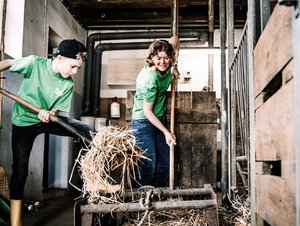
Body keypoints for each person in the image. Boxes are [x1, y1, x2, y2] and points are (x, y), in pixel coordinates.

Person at [0, 39, 94, 226]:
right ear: (59, 58)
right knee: (20, 171)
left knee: (88, 131)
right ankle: (16, 221)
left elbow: (56, 112)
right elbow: (9, 63)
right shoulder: (34, 63)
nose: (74, 72)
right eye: (73, 66)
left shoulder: (67, 83)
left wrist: (49, 113)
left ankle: (95, 178)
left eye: (78, 68)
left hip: (46, 121)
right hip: (23, 123)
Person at [131, 36, 180, 188]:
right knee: (148, 166)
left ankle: (157, 199)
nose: (163, 62)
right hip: (143, 123)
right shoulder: (150, 80)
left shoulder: (167, 64)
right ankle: (139, 203)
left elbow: (175, 39)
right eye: (159, 58)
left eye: (167, 58)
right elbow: (147, 111)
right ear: (152, 57)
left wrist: (175, 65)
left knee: (165, 164)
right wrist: (166, 132)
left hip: (157, 121)